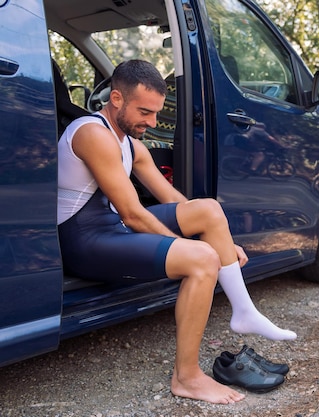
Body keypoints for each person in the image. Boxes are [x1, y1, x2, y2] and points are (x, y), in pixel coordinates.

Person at [56, 60, 296, 404]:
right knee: (201, 260)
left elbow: (174, 200)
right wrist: (197, 249)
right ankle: (187, 377)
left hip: (112, 229)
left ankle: (244, 311)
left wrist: (223, 241)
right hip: (83, 241)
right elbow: (133, 214)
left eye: (156, 113)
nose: (152, 123)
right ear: (117, 99)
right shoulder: (92, 133)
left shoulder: (130, 144)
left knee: (209, 209)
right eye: (145, 112)